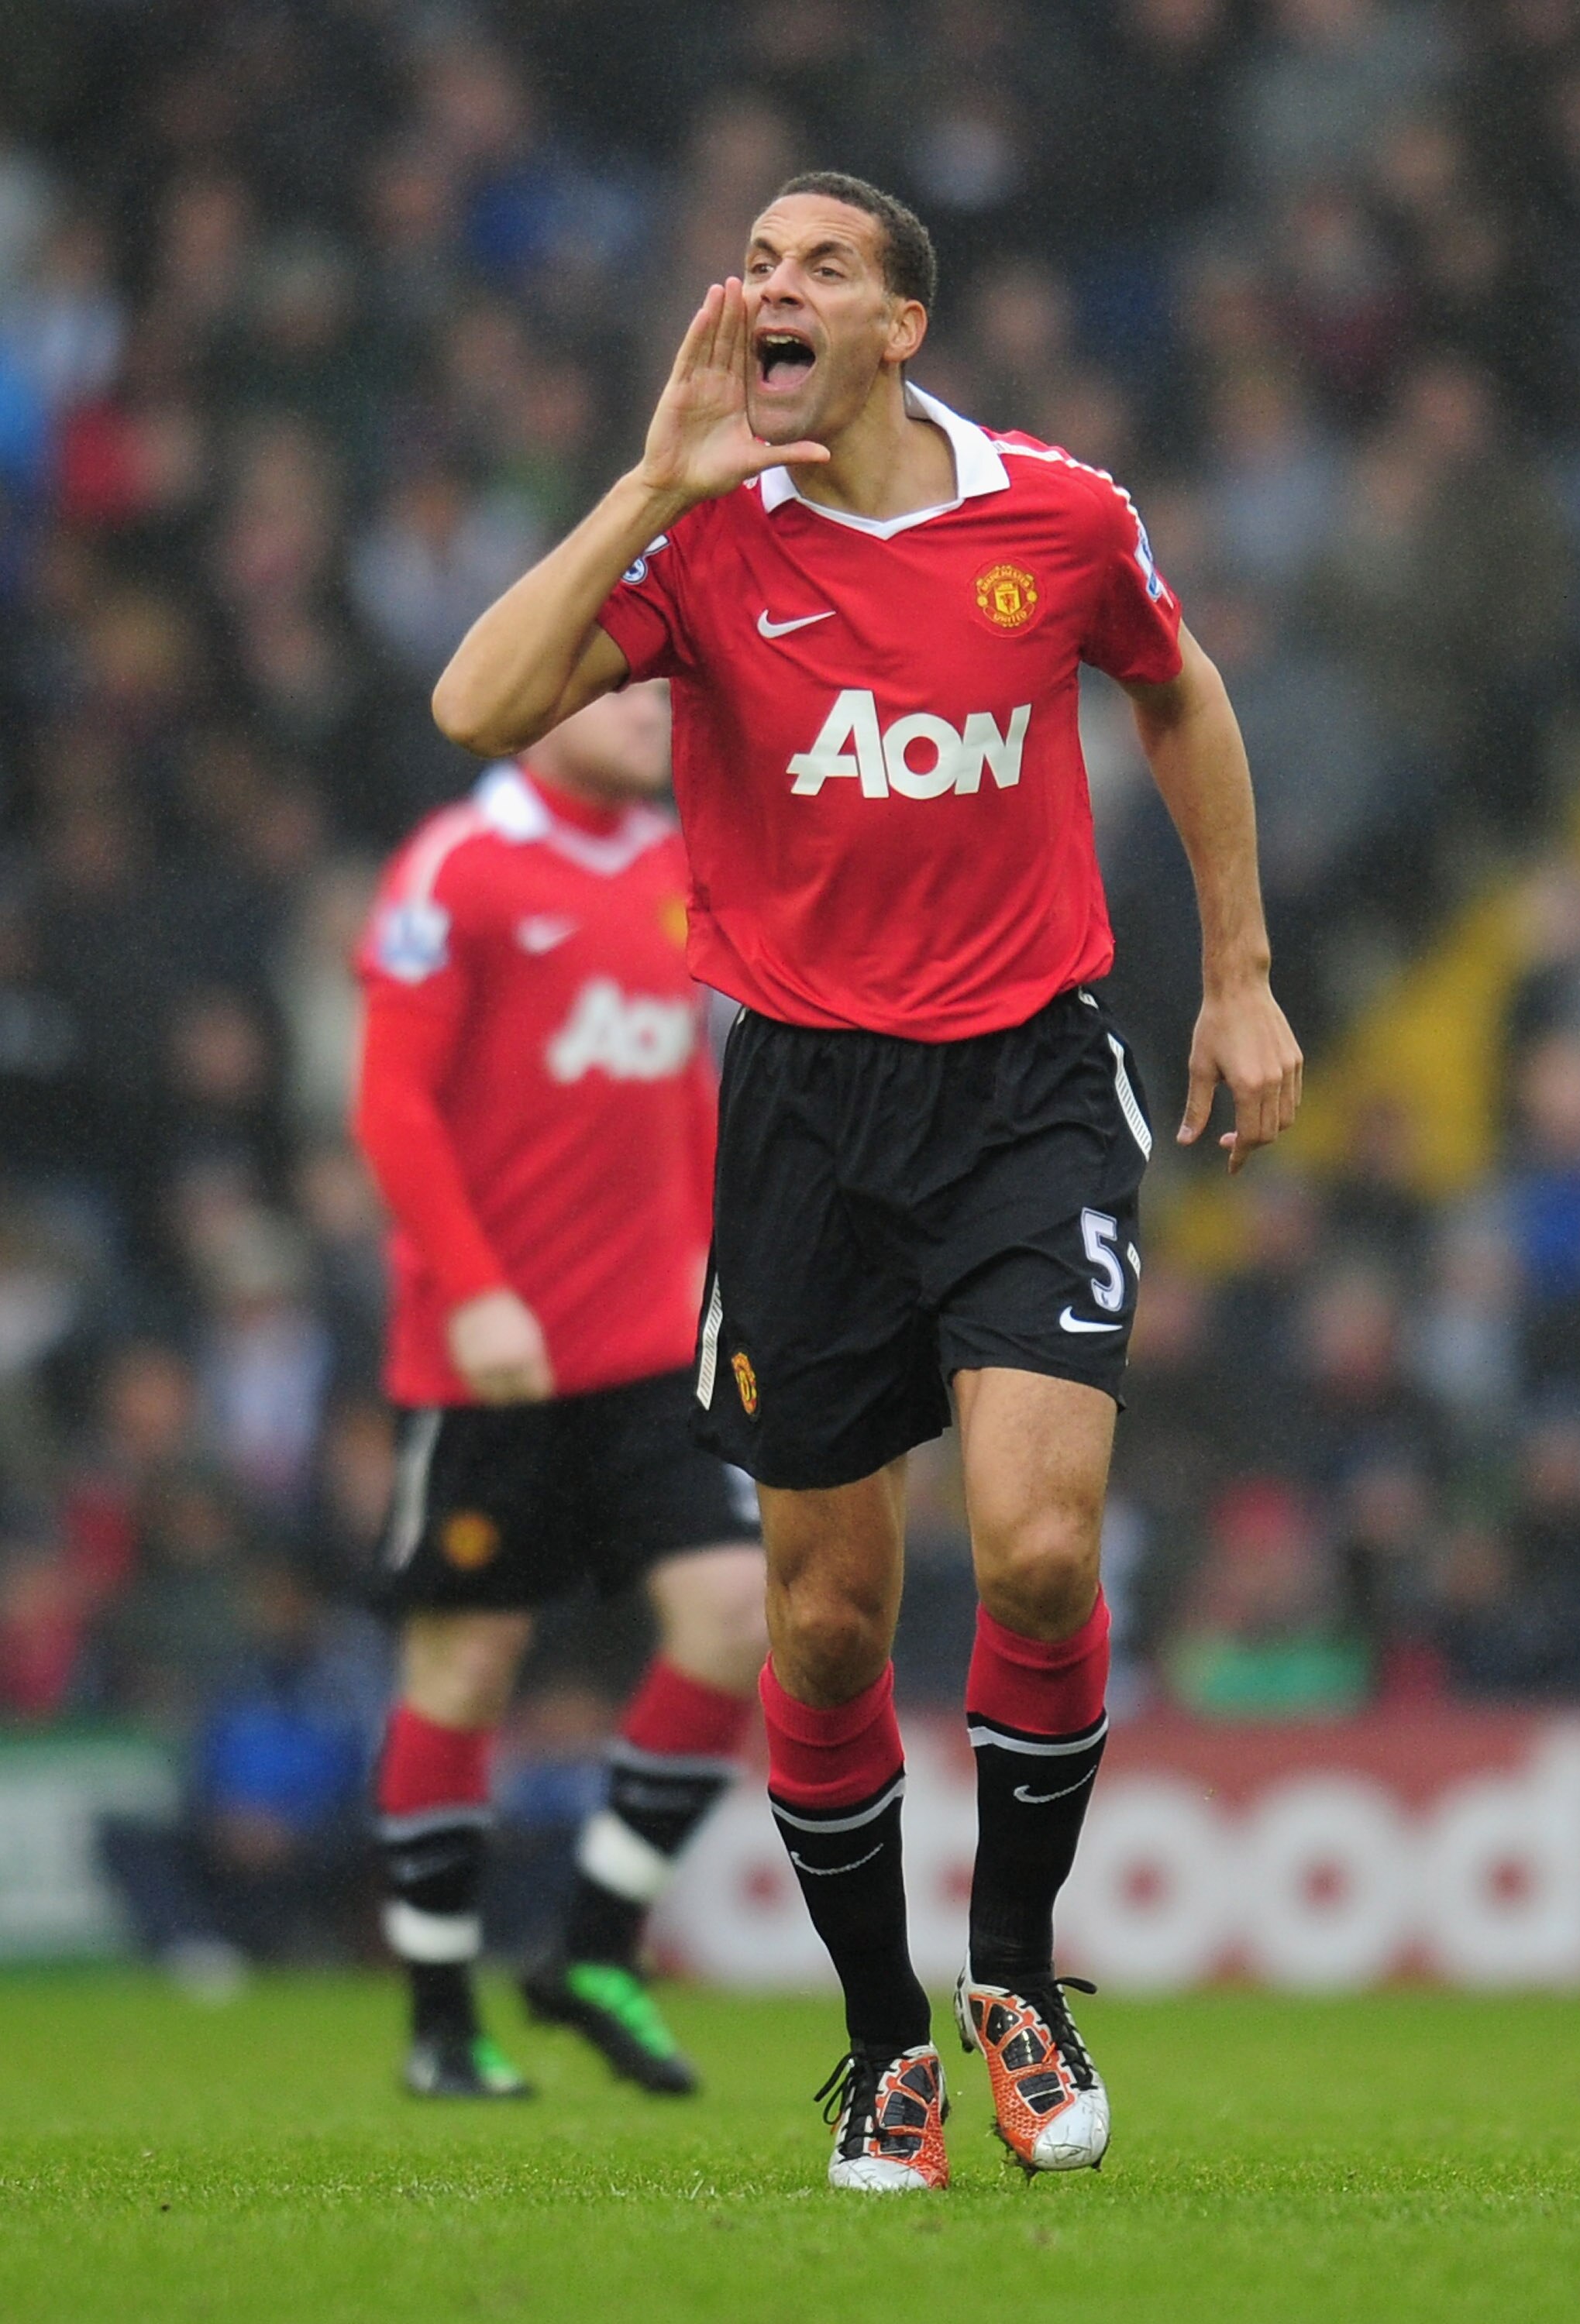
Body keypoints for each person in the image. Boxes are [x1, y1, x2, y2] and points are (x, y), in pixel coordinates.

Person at [432, 173, 1301, 2189]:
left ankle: (1015, 1973)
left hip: (1027, 1090)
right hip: (806, 1119)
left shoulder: (1058, 517)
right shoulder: (711, 544)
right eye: (753, 261)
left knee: (1038, 1548)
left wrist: (1243, 975)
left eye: (821, 263)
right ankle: (879, 2039)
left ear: (903, 323)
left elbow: (1175, 686)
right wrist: (650, 481)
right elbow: (476, 707)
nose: (772, 286)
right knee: (825, 1626)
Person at [353, 681, 766, 2101]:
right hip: (490, 1360)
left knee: (733, 1620)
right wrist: (473, 1291)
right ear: (538, 707)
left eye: (663, 681)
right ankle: (437, 2022)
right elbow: (391, 1105)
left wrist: (728, 1265)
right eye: (618, 682)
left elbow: (688, 1096)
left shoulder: (675, 868)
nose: (655, 705)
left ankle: (592, 1944)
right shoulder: (456, 871)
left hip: (655, 1347)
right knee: (465, 1666)